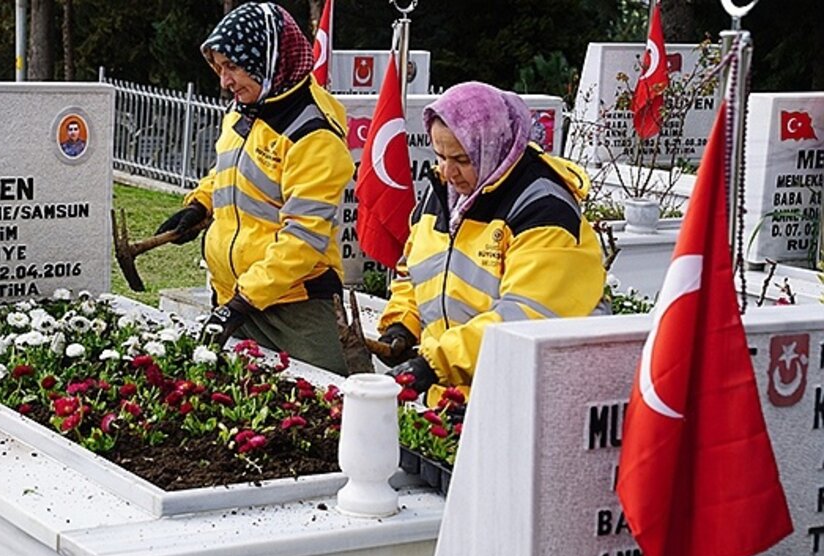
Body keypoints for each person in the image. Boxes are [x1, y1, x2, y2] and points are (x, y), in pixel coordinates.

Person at [378, 81, 607, 405]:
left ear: (492, 146)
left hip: (522, 400)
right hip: (453, 397)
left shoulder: (544, 209)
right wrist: (402, 324)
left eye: (461, 158)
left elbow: (526, 317)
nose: (447, 171)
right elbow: (414, 273)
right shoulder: (444, 191)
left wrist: (434, 363)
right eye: (439, 155)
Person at [156, 2, 354, 376]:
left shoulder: (313, 136)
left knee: (325, 410)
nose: (224, 81)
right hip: (235, 298)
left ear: (269, 60)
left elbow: (303, 239)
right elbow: (227, 173)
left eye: (232, 67)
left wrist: (243, 301)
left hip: (295, 309)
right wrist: (199, 204)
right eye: (218, 68)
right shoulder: (242, 110)